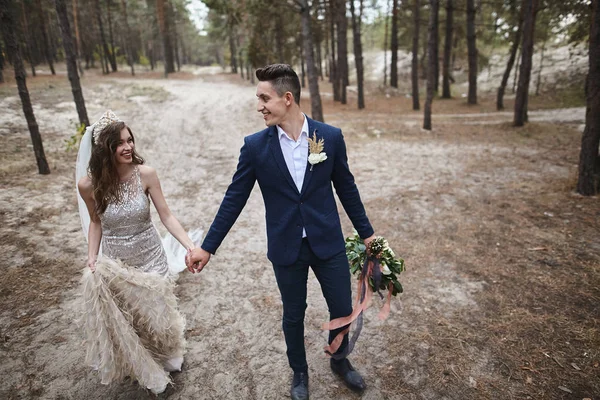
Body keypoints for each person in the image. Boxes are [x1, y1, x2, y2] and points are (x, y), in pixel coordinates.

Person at [186, 64, 375, 400]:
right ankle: (299, 372)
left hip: (327, 241)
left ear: (287, 98)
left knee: (342, 307)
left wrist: (367, 234)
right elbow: (234, 198)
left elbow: (347, 189)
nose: (259, 105)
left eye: (264, 98)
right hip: (287, 246)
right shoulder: (256, 147)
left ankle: (340, 360)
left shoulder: (328, 137)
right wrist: (207, 247)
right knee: (293, 313)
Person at [76, 111, 196, 394]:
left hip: (150, 254)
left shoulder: (146, 175)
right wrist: (92, 256)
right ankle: (142, 364)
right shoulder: (88, 186)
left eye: (130, 140)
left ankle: (164, 353)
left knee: (157, 313)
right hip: (118, 260)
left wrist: (190, 246)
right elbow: (96, 222)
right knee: (132, 317)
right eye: (120, 143)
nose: (128, 147)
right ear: (105, 149)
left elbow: (166, 216)